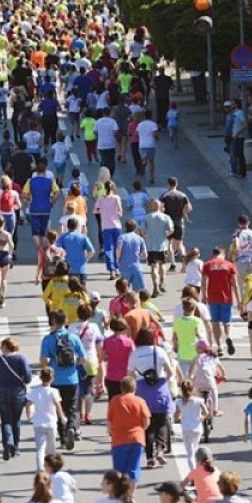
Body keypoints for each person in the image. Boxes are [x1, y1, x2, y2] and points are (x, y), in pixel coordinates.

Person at [128, 327, 173, 468]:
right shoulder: (159, 351)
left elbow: (130, 375)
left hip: (142, 391)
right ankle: (160, 449)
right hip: (159, 389)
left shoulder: (135, 354)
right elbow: (170, 371)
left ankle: (149, 457)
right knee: (162, 422)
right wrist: (163, 380)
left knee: (147, 426)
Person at [40, 310, 85, 450]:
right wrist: (74, 364)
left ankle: (63, 438)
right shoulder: (73, 338)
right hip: (72, 379)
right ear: (66, 322)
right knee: (71, 407)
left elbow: (43, 360)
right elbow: (84, 359)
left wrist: (49, 368)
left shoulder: (48, 339)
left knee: (57, 409)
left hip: (56, 380)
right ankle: (72, 427)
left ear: (53, 322)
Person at [0, 337, 32, 461]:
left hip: (2, 392)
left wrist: (1, 383)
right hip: (18, 392)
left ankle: (8, 443)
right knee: (16, 420)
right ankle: (16, 446)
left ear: (5, 347)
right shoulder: (21, 359)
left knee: (5, 420)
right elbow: (28, 378)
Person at [107, 375, 150, 484]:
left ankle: (121, 495)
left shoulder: (115, 401)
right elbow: (146, 421)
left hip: (119, 439)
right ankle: (130, 495)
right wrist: (140, 430)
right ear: (135, 388)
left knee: (119, 471)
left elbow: (109, 420)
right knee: (133, 469)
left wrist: (111, 432)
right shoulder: (140, 401)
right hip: (137, 438)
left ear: (121, 388)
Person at [201, 247, 241, 357]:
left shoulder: (207, 265)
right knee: (226, 322)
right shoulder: (229, 265)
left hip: (213, 297)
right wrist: (239, 300)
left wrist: (204, 296)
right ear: (222, 254)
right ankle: (228, 336)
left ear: (213, 254)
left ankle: (219, 346)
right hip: (227, 297)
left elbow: (204, 283)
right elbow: (235, 284)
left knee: (215, 323)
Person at [141, 201, 173, 298]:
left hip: (151, 245)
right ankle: (162, 282)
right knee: (162, 264)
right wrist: (165, 235)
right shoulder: (165, 217)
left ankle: (155, 286)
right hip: (162, 245)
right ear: (160, 206)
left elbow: (142, 230)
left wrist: (146, 237)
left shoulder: (146, 217)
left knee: (153, 267)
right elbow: (171, 229)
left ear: (151, 206)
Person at [160, 177, 192, 272]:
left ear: (168, 184)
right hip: (179, 222)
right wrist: (183, 212)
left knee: (169, 244)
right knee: (180, 245)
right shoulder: (183, 195)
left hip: (168, 224)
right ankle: (184, 263)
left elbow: (161, 209)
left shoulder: (165, 196)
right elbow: (189, 208)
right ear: (176, 184)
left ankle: (173, 264)